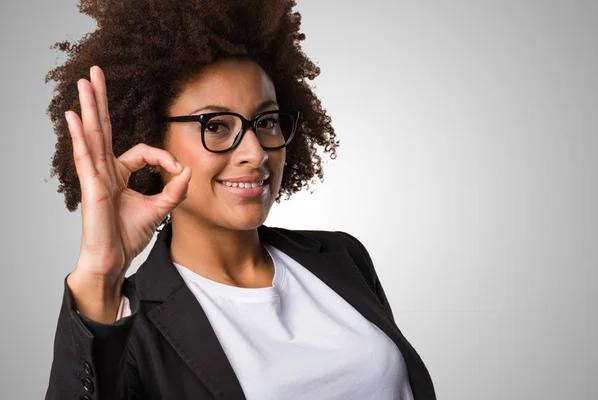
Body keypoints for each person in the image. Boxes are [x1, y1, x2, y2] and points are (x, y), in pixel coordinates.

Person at [44, 0, 436, 399]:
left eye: (265, 122)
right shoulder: (130, 324)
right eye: (215, 125)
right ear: (151, 146)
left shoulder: (342, 256)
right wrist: (98, 274)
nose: (255, 152)